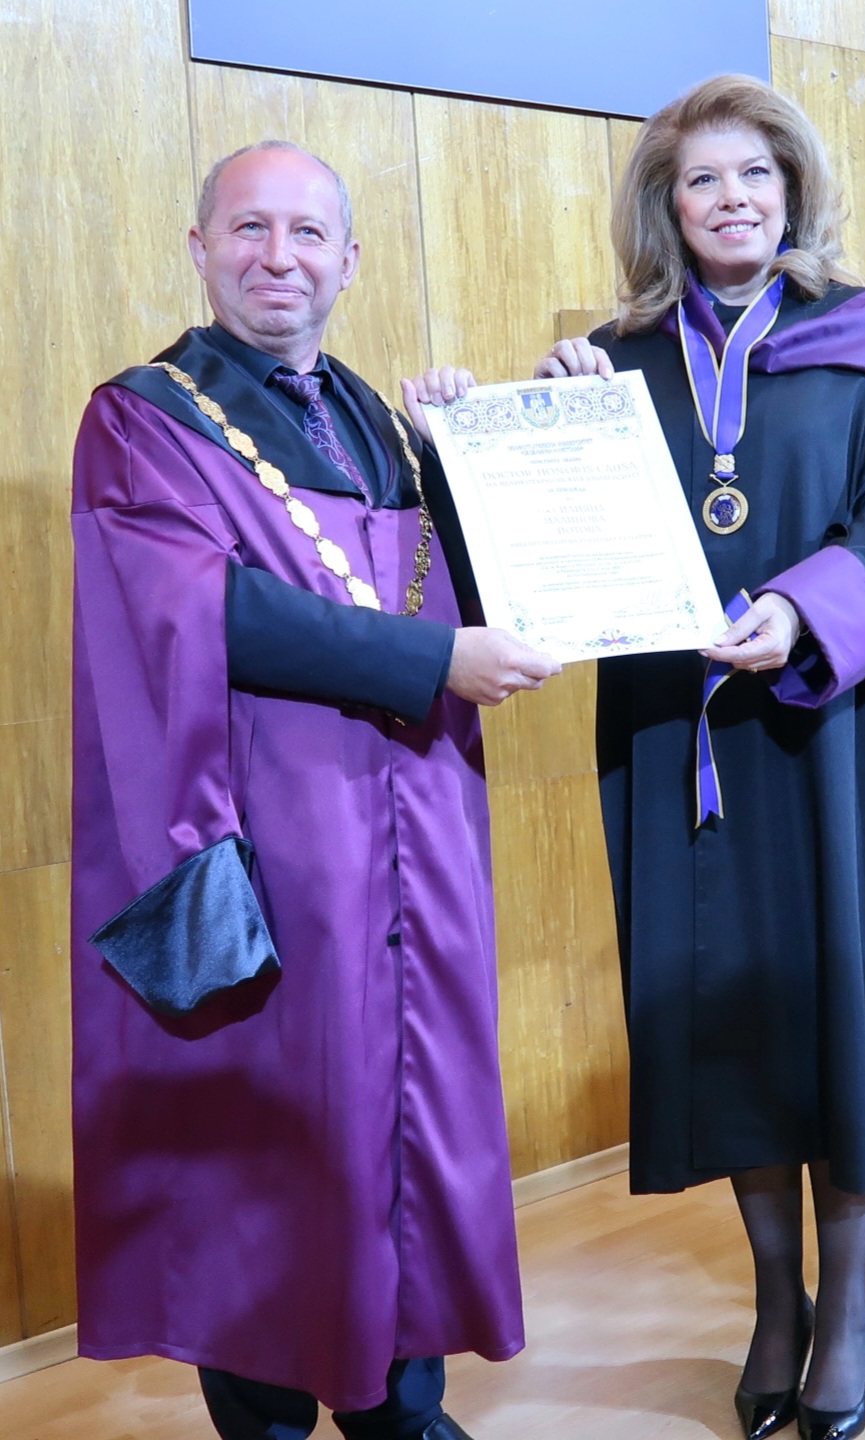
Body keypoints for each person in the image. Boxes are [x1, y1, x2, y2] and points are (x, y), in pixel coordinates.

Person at [431, 74, 865, 1440]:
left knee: (839, 1005)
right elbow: (523, 542)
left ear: (793, 188)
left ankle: (848, 1306)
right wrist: (497, 424)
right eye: (701, 178)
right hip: (674, 732)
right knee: (722, 1012)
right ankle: (772, 1301)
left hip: (828, 723)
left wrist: (801, 611)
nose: (732, 198)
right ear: (667, 206)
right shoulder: (615, 363)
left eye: (755, 172)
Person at [70, 140, 560, 1440]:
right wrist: (430, 664)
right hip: (274, 833)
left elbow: (455, 586)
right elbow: (207, 610)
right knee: (277, 1141)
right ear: (199, 247)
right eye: (248, 229)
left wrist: (485, 448)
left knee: (408, 1124)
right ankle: (270, 1419)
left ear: (349, 259)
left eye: (305, 234)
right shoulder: (144, 418)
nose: (277, 257)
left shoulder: (378, 423)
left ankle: (401, 1404)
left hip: (415, 832)